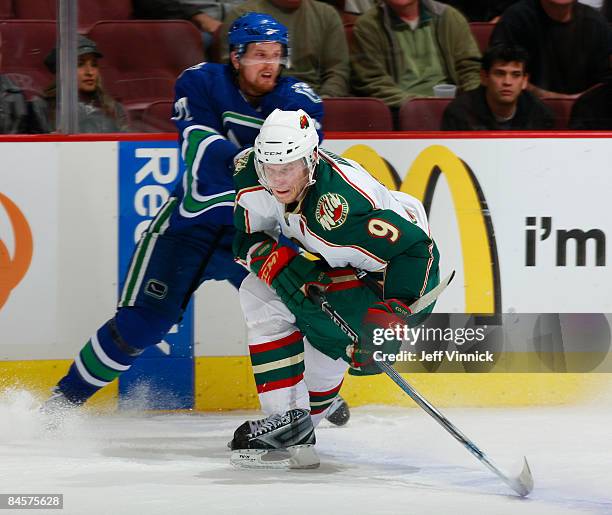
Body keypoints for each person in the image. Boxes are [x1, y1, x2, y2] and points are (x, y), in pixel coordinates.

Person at [42, 13, 349, 426]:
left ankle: (317, 397)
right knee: (139, 326)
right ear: (236, 56)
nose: (270, 65)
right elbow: (200, 151)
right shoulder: (200, 82)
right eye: (260, 55)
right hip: (189, 228)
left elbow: (300, 166)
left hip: (255, 235)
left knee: (303, 313)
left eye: (277, 55)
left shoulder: (301, 99)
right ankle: (60, 405)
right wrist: (261, 165)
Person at [228, 108, 440, 468]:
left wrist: (394, 315)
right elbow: (247, 236)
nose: (277, 180)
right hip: (345, 272)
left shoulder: (342, 206)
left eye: (288, 168)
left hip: (394, 286)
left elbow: (416, 250)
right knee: (321, 346)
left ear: (310, 162)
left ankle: (289, 422)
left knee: (259, 294)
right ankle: (299, 428)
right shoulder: (251, 174)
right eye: (270, 168)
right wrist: (273, 258)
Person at [350, 0, 481, 110]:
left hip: (454, 106)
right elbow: (373, 82)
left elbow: (470, 68)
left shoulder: (448, 17)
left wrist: (469, 100)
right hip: (399, 108)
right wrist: (419, 105)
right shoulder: (368, 26)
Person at [221, 0, 351, 97]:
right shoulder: (242, 16)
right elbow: (232, 73)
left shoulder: (327, 15)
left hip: (315, 98)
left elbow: (337, 70)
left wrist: (325, 101)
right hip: (259, 103)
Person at [490, 0, 610, 99]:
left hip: (588, 114)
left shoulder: (597, 24)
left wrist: (579, 101)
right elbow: (501, 74)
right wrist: (555, 99)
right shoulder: (515, 19)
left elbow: (606, 80)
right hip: (527, 111)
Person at [441, 44, 554, 130]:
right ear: (484, 77)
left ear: (524, 81)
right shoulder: (459, 114)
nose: (507, 82)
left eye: (516, 75)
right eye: (500, 73)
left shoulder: (540, 115)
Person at [35, 35, 128, 133]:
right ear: (62, 71)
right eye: (80, 64)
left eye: (94, 64)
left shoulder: (114, 109)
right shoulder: (42, 108)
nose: (90, 72)